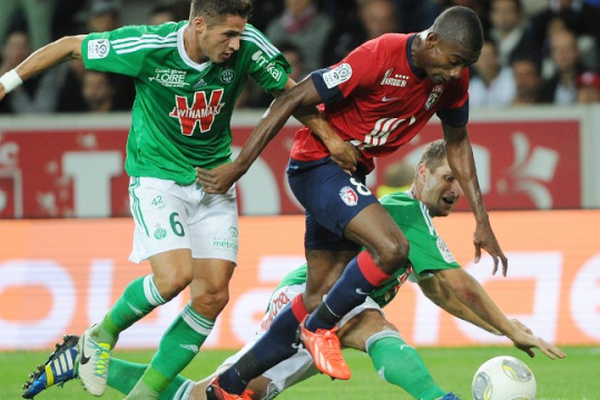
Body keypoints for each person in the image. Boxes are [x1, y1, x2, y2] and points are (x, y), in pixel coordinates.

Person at [23, 140, 565, 400]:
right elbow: (459, 283)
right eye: (447, 177)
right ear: (422, 172)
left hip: (326, 313)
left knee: (220, 396)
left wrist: (502, 327)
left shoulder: (415, 226)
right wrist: (509, 325)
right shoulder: (403, 210)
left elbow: (444, 291)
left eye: (461, 184)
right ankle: (438, 399)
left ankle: (79, 361)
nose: (454, 189)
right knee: (372, 323)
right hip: (304, 303)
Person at [0, 0, 337, 399]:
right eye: (227, 34)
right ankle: (99, 337)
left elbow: (291, 93)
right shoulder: (148, 46)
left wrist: (332, 138)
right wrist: (6, 83)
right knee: (174, 276)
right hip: (157, 176)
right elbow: (71, 46)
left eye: (240, 33)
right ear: (198, 24)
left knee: (213, 295)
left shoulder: (249, 45)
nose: (235, 43)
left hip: (212, 179)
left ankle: (145, 395)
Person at [195, 5, 509, 399]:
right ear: (432, 40)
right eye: (454, 60)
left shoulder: (452, 80)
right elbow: (291, 98)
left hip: (350, 172)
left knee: (317, 293)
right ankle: (318, 328)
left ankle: (230, 383)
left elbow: (458, 142)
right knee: (392, 248)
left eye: (465, 65)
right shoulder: (379, 55)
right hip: (317, 165)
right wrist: (239, 165)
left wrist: (482, 219)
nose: (456, 72)